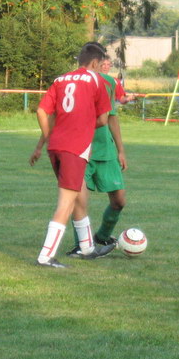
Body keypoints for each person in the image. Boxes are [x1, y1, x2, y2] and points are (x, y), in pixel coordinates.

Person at [30, 43, 112, 268]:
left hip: (56, 146)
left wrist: (48, 138)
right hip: (75, 148)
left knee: (79, 196)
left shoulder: (60, 80)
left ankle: (87, 247)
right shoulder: (97, 80)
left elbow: (42, 111)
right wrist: (83, 125)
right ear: (95, 63)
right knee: (66, 202)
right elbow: (103, 119)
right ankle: (45, 256)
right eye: (101, 64)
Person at [66, 55, 128, 259]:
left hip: (106, 150)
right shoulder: (73, 81)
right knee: (79, 200)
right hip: (81, 149)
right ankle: (80, 246)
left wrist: (120, 150)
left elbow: (112, 118)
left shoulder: (109, 83)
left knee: (119, 201)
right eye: (101, 61)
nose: (104, 64)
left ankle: (101, 237)